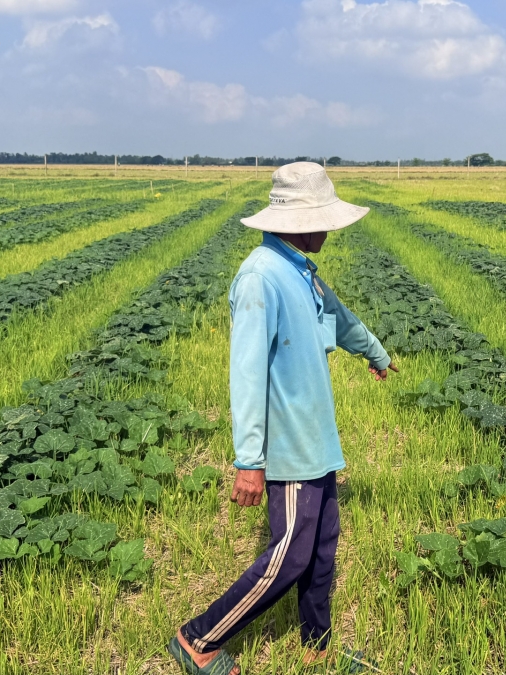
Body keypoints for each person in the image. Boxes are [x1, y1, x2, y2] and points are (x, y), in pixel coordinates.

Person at [168, 162, 397, 675]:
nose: (329, 231)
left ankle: (317, 645)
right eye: (323, 220)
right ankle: (197, 638)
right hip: (289, 447)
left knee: (322, 550)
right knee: (289, 558)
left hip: (319, 441)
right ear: (297, 221)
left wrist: (375, 353)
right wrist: (249, 460)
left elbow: (339, 319)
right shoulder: (260, 277)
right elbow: (245, 376)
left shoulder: (302, 271)